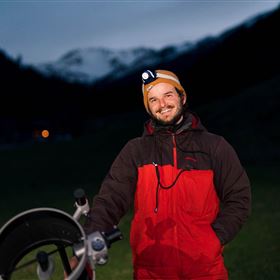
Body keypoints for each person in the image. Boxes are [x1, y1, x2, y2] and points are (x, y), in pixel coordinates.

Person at [78, 70, 251, 279]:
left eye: (168, 95)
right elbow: (111, 198)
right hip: (151, 270)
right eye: (153, 99)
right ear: (148, 107)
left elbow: (238, 198)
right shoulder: (135, 150)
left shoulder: (215, 146)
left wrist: (213, 239)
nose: (162, 104)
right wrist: (89, 238)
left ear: (182, 97)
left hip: (205, 269)